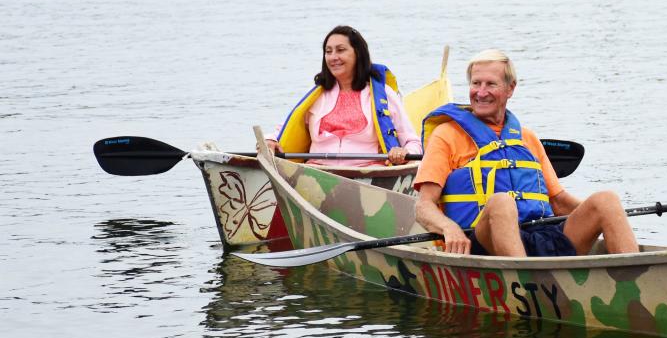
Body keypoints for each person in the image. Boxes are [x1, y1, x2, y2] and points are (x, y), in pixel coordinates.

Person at [414, 49, 639, 257]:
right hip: (483, 243)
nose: (481, 93)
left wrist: (611, 219)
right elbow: (424, 206)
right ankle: (524, 282)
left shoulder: (526, 138)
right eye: (475, 83)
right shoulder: (446, 135)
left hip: (541, 236)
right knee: (502, 202)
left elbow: (558, 202)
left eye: (490, 84)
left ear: (510, 88)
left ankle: (635, 276)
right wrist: (449, 228)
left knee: (606, 200)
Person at [265, 25, 422, 167]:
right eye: (328, 51)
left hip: (369, 173)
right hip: (316, 171)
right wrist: (270, 140)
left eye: (340, 50)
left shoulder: (384, 94)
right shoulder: (317, 95)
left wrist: (403, 153)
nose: (333, 57)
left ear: (358, 54)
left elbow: (413, 142)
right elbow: (286, 128)